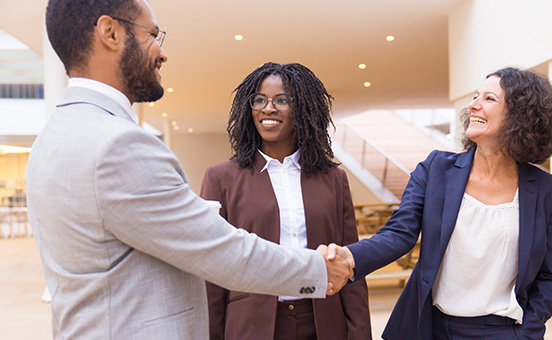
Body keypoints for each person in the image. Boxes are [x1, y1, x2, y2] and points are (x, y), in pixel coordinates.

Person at [27, 1, 351, 339]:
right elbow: (221, 251)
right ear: (110, 33)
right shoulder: (118, 145)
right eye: (153, 34)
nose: (162, 53)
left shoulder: (51, 138)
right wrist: (319, 269)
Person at [326, 67, 552, 340]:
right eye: (475, 96)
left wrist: (528, 332)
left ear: (521, 115)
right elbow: (399, 233)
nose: (473, 105)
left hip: (503, 331)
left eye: (489, 99)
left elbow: (550, 276)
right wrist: (350, 259)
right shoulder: (436, 169)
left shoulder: (546, 190)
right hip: (431, 328)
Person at [200, 62, 372, 340]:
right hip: (251, 326)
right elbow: (211, 270)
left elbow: (350, 265)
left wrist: (359, 332)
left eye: (282, 100)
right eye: (260, 100)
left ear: (304, 108)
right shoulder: (221, 178)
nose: (268, 109)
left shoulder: (333, 179)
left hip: (323, 324)